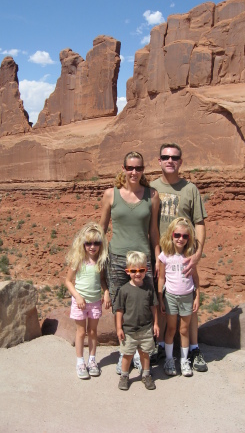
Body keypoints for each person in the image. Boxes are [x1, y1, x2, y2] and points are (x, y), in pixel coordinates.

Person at [100, 151, 160, 374]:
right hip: (116, 259)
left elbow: (153, 231)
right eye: (130, 168)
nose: (134, 172)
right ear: (123, 169)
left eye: (139, 168)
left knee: (143, 306)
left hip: (143, 259)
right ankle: (125, 353)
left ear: (143, 170)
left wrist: (158, 259)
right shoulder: (110, 195)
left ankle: (138, 354)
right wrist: (96, 258)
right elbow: (102, 229)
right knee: (121, 307)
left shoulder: (151, 195)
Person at [151, 142, 208, 372]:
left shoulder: (190, 189)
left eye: (174, 157)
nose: (170, 160)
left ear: (181, 161)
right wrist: (155, 255)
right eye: (165, 157)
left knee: (188, 300)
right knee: (162, 299)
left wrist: (198, 253)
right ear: (159, 160)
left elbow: (200, 222)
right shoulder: (152, 187)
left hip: (185, 256)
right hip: (161, 255)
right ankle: (162, 347)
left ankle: (193, 349)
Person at [65, 222, 111, 379]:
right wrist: (77, 296)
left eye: (96, 243)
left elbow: (102, 280)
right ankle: (80, 362)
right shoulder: (78, 260)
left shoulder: (100, 261)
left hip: (95, 302)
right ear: (83, 244)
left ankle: (92, 360)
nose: (92, 247)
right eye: (88, 243)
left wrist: (106, 292)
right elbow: (68, 281)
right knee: (81, 332)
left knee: (92, 331)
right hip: (80, 302)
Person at [158, 218, 200, 377]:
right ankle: (169, 359)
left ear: (188, 238)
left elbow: (196, 278)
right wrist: (161, 298)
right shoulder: (165, 256)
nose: (180, 239)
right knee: (171, 329)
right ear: (171, 235)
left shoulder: (190, 256)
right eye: (177, 235)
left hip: (187, 297)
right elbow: (161, 278)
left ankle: (184, 360)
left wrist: (197, 297)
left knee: (183, 329)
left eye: (185, 236)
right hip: (170, 297)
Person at [114, 251, 159, 390]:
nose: (137, 274)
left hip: (146, 329)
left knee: (145, 354)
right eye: (134, 270)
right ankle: (124, 376)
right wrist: (119, 328)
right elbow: (119, 310)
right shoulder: (124, 290)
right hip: (129, 330)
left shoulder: (148, 289)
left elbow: (153, 307)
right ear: (128, 271)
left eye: (141, 270)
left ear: (146, 270)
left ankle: (146, 375)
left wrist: (156, 324)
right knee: (127, 354)